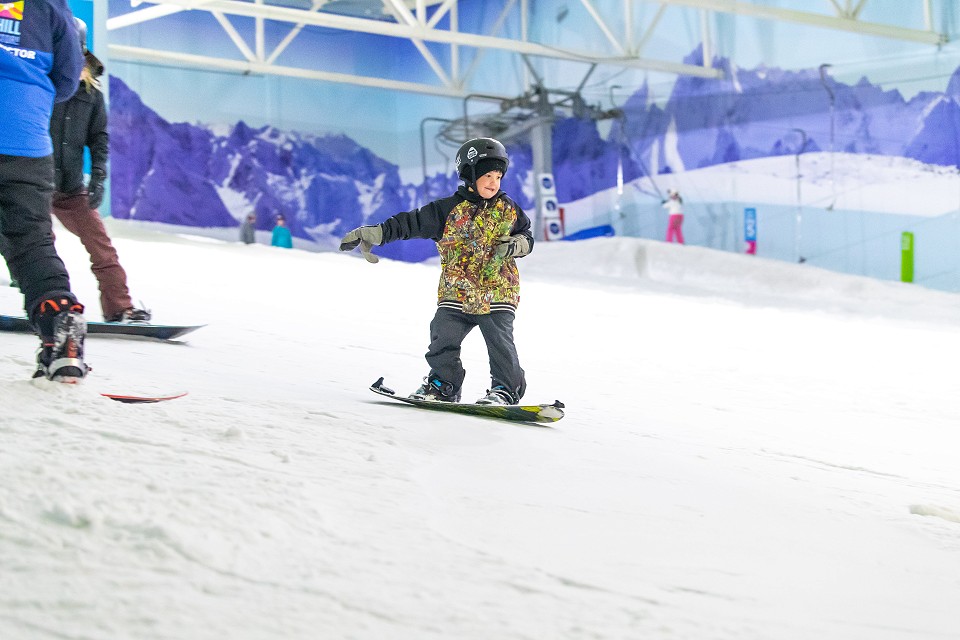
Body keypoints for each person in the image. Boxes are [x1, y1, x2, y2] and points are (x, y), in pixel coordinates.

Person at [339, 137, 533, 405]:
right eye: (487, 174)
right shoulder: (446, 210)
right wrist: (378, 233)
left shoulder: (508, 209)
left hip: (497, 291)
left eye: (498, 176)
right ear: (470, 174)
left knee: (499, 343)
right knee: (442, 337)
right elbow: (410, 223)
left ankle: (506, 389)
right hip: (457, 291)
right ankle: (444, 385)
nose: (493, 182)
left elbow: (526, 235)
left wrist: (518, 244)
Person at [0, 0, 88, 381]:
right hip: (25, 137)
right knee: (31, 242)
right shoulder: (51, 4)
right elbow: (68, 76)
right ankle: (60, 323)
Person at [49, 19, 151, 324]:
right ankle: (50, 305)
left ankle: (120, 306)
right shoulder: (42, 80)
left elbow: (98, 139)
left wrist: (99, 176)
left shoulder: (91, 94)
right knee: (34, 243)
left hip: (69, 184)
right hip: (34, 179)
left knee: (102, 247)